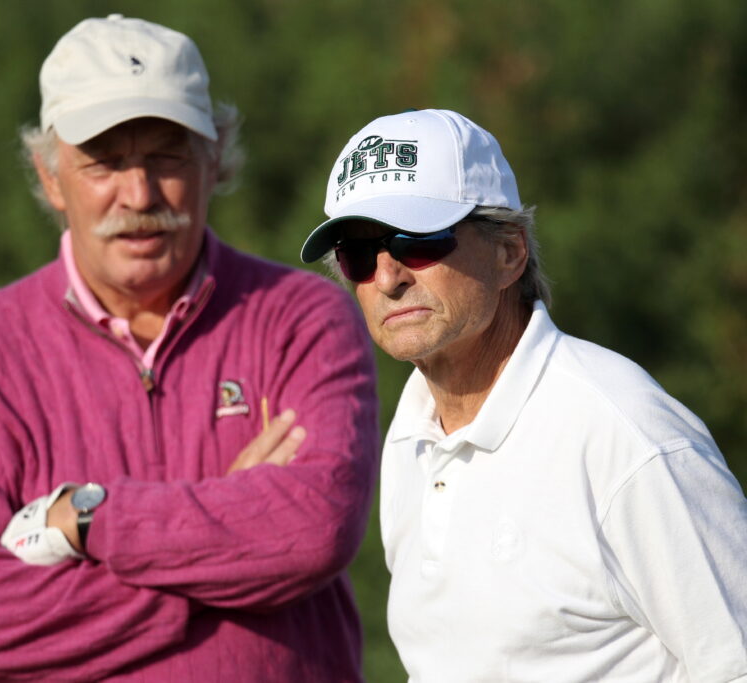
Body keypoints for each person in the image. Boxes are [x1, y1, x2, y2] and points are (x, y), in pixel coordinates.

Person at [0, 14, 380, 683]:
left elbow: (313, 530)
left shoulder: (302, 319)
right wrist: (227, 536)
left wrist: (85, 521)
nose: (139, 193)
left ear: (216, 158)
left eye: (166, 156)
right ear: (50, 175)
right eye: (104, 162)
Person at [300, 108, 747, 682]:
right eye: (359, 254)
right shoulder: (412, 433)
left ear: (510, 252)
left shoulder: (625, 435)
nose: (387, 278)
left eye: (418, 240)